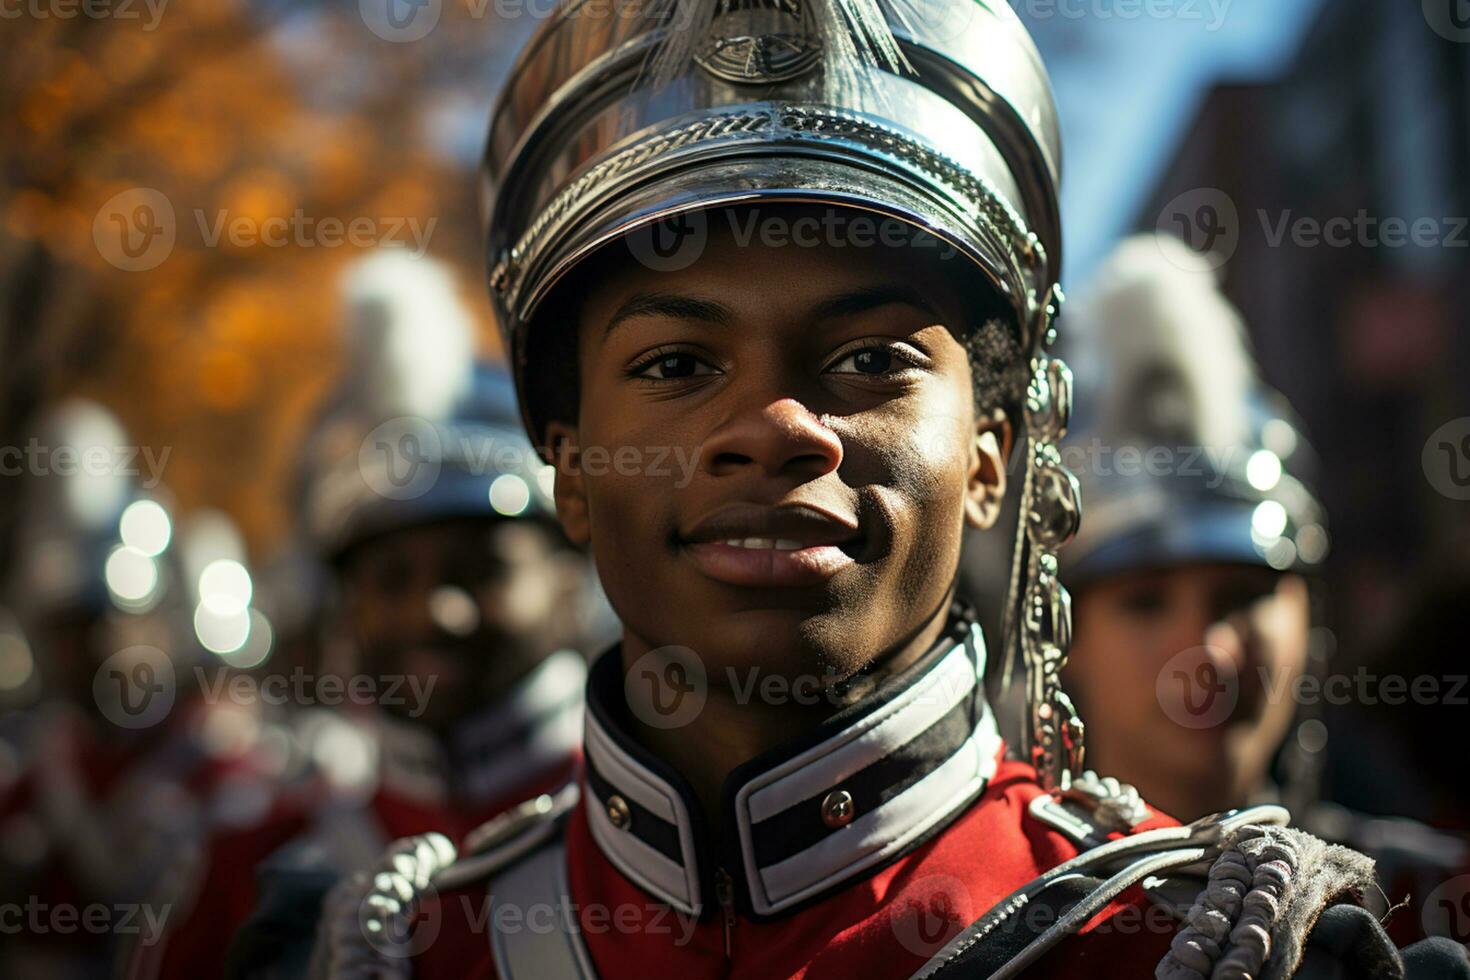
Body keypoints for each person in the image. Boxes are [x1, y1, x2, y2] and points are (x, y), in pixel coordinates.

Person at [303, 2, 1467, 978]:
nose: (772, 427)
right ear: (566, 465)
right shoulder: (388, 947)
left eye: (869, 359)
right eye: (675, 364)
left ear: (996, 448)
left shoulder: (1210, 946)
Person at [141, 252, 602, 979]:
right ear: (345, 607)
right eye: (389, 577)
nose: (433, 610)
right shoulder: (250, 865)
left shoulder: (671, 836)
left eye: (481, 569)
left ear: (571, 579)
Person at [1057, 235, 1470, 947]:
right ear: (1066, 638)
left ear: (1310, 619)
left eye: (1243, 595)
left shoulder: (1435, 899)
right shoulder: (1000, 919)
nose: (1207, 651)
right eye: (1146, 600)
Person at [0, 400, 284, 979]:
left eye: (118, 621)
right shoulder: (29, 787)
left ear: (161, 623)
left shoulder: (230, 780)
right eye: (74, 629)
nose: (101, 648)